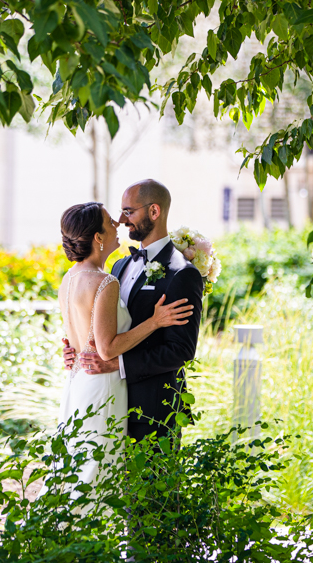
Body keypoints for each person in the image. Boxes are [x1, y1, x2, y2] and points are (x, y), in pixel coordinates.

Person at [54, 201, 193, 489]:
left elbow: (83, 330)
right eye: (110, 221)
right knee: (96, 472)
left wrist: (72, 351)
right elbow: (106, 348)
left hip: (80, 384)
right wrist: (155, 321)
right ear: (98, 237)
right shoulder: (107, 278)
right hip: (101, 385)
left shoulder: (68, 278)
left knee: (79, 468)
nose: (118, 222)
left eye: (125, 212)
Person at [63, 180, 205, 442]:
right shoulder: (117, 267)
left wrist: (118, 364)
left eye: (129, 211)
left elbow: (181, 350)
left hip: (152, 410)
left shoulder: (182, 274)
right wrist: (79, 349)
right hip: (107, 403)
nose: (121, 219)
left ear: (154, 211)